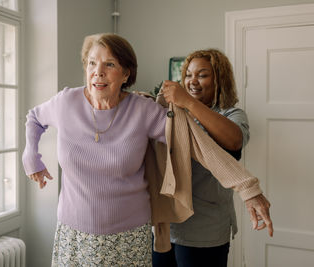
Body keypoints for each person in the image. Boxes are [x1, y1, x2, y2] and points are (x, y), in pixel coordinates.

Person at [22, 34, 272, 266]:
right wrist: (31, 156)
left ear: (125, 74)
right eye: (91, 63)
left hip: (129, 236)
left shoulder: (143, 110)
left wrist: (247, 187)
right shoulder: (66, 102)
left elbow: (198, 144)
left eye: (109, 64)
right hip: (72, 234)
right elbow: (34, 118)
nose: (97, 72)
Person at [152, 49, 263, 267]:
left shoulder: (231, 114)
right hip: (166, 226)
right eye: (188, 75)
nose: (193, 81)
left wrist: (189, 103)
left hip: (205, 230)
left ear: (219, 79)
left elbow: (234, 142)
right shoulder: (172, 114)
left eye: (202, 75)